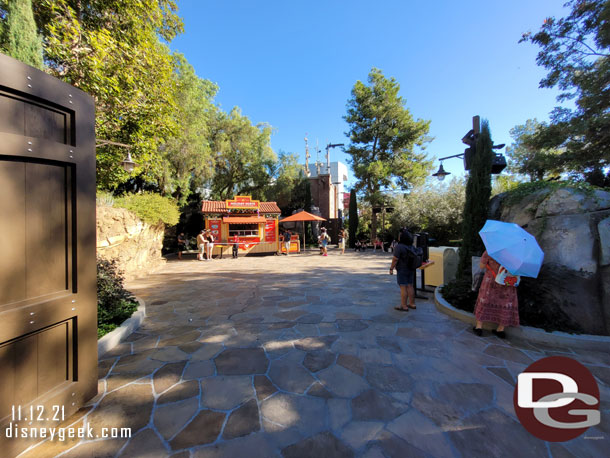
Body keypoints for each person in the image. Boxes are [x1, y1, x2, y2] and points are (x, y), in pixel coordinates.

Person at [472, 251, 519, 338]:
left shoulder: (490, 251)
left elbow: (481, 266)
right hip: (507, 282)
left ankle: (479, 327)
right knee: (505, 303)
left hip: (490, 281)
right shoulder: (515, 254)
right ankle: (500, 329)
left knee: (485, 300)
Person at [389, 231, 417, 312]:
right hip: (411, 269)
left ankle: (404, 306)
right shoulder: (411, 246)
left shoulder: (399, 247)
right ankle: (412, 303)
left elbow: (395, 259)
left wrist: (391, 268)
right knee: (410, 286)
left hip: (402, 269)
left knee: (403, 287)